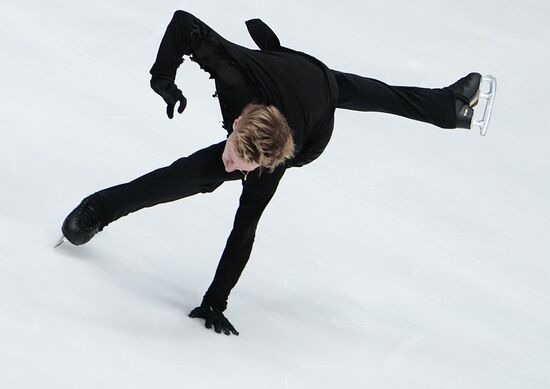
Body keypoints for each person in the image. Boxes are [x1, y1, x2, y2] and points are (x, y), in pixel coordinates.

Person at [60, 10, 487, 336]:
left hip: (311, 119)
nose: (230, 165)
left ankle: (446, 108)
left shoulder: (269, 163)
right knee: (204, 168)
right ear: (234, 127)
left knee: (194, 174)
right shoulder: (235, 76)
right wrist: (162, 78)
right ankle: (98, 208)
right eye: (232, 155)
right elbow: (183, 24)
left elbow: (244, 228)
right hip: (281, 68)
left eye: (240, 167)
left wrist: (215, 303)